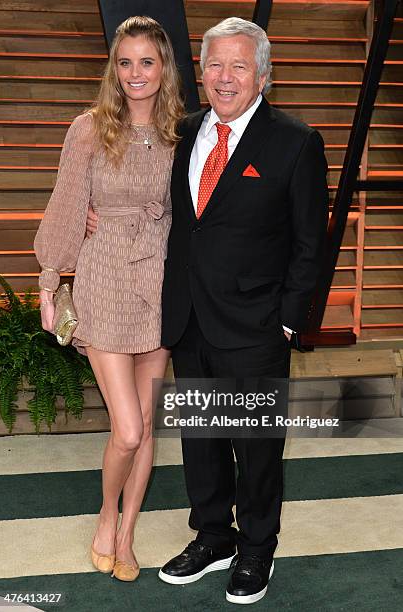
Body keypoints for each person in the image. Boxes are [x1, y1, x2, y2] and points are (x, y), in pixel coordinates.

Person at [87, 16, 328, 605]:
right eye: (214, 64)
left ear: (263, 75)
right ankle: (212, 535)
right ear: (200, 71)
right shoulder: (183, 131)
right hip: (188, 320)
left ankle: (257, 549)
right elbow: (152, 204)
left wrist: (290, 320)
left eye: (238, 65)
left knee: (257, 447)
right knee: (201, 441)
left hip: (257, 326)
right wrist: (103, 222)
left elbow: (309, 243)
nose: (224, 77)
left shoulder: (295, 141)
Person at [34, 16, 184, 582]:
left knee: (146, 426)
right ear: (113, 68)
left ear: (163, 67)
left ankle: (126, 533)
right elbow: (69, 203)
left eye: (146, 61)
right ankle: (104, 515)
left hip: (160, 286)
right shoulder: (89, 128)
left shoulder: (182, 133)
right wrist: (50, 280)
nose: (135, 73)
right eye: (125, 62)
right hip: (103, 282)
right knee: (126, 428)